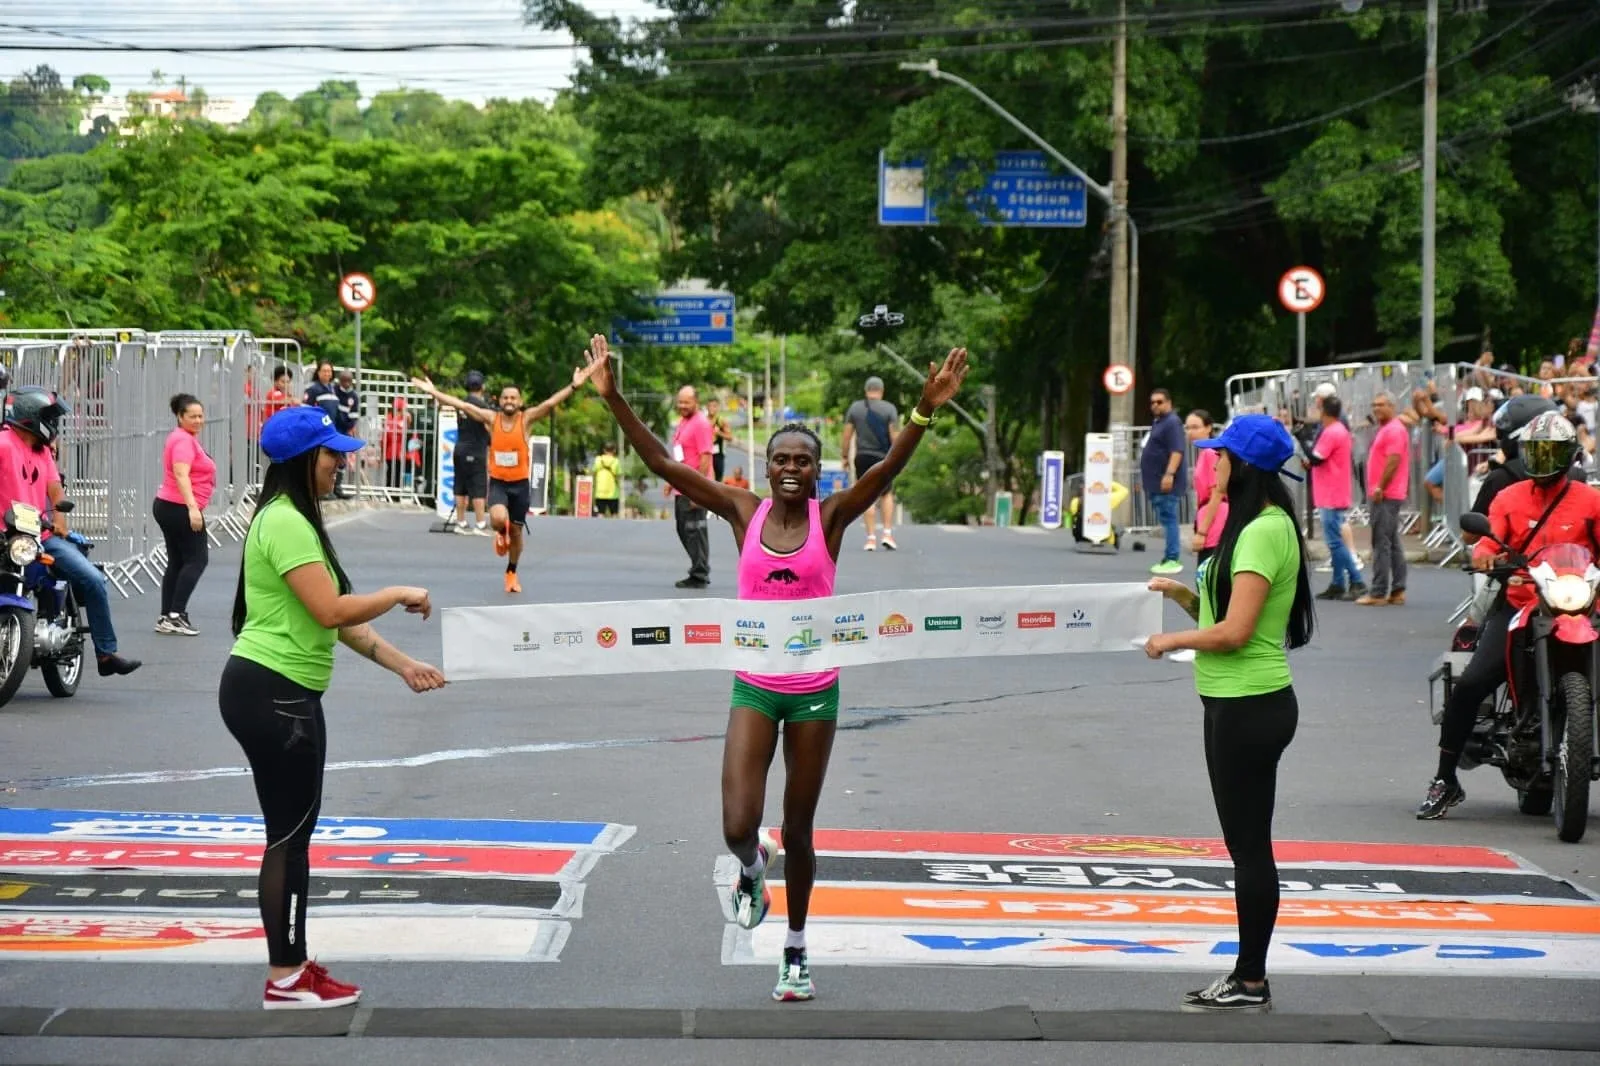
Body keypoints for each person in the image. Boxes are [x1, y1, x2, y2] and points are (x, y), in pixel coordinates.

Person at [584, 332, 968, 1002]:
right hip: (756, 686)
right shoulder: (742, 511)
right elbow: (666, 468)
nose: (791, 467)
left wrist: (925, 410)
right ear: (765, 470)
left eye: (802, 460)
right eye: (780, 459)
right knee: (739, 826)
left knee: (799, 828)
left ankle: (795, 952)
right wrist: (615, 398)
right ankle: (750, 869)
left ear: (817, 471)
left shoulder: (834, 515)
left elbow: (887, 472)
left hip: (816, 692)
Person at [221, 405, 445, 1009]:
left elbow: (337, 619)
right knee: (289, 838)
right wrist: (398, 591)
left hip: (276, 690)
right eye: (331, 454)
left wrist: (404, 665)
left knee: (292, 835)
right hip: (274, 693)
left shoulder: (291, 518)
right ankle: (286, 978)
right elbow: (332, 612)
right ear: (302, 461)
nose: (341, 463)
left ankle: (292, 967)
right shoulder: (288, 523)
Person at [1145, 413, 1314, 1014]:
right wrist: (1182, 597)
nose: (1210, 465)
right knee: (1247, 844)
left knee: (1249, 848)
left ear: (1241, 467)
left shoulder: (1264, 531)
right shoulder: (1246, 526)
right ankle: (1248, 976)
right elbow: (1224, 612)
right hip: (1235, 701)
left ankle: (1250, 980)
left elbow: (1239, 632)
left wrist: (1170, 642)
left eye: (1219, 456)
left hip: (1250, 704)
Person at [1417, 411, 1600, 820]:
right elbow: (1484, 542)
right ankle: (1445, 779)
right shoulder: (1509, 497)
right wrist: (1486, 559)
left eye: (1552, 451)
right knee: (1472, 682)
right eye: (1536, 451)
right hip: (1522, 603)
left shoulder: (1591, 500)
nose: (1543, 459)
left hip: (1582, 606)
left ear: (1569, 456)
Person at [411, 369, 597, 594]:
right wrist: (434, 392)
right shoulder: (491, 419)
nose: (509, 401)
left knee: (517, 534)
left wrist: (574, 386)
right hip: (499, 482)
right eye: (505, 398)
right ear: (499, 401)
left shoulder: (526, 419)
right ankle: (501, 531)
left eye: (513, 398)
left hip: (520, 485)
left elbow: (549, 403)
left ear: (520, 402)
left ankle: (511, 571)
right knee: (498, 519)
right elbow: (463, 406)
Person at [0, 387, 140, 676]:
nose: (54, 424)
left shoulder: (42, 451)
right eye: (50, 417)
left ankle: (106, 653)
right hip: (5, 534)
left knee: (93, 579)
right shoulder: (3, 443)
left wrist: (60, 518)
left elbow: (54, 488)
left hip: (42, 536)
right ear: (31, 416)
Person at [152, 393, 215, 636]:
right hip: (179, 507)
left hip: (170, 505)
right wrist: (192, 509)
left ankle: (167, 615)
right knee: (197, 559)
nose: (199, 420)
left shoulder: (184, 438)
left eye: (201, 416)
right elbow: (181, 474)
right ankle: (176, 614)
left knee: (178, 561)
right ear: (180, 417)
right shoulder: (183, 442)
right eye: (193, 416)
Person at [1305, 396, 1366, 601]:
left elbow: (1316, 457)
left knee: (1334, 542)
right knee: (1335, 540)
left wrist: (1300, 439)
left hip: (1330, 493)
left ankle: (1356, 580)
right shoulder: (1338, 429)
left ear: (1323, 411)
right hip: (1334, 490)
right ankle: (1338, 582)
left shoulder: (1332, 432)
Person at [1356, 391, 1409, 607]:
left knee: (1380, 542)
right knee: (1391, 541)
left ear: (1392, 406)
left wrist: (1380, 486)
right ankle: (1397, 589)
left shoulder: (1394, 430)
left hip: (1385, 494)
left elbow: (1394, 460)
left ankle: (1378, 592)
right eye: (1374, 405)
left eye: (1381, 405)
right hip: (1387, 492)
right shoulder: (1388, 429)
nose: (1376, 408)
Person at [841, 376, 900, 551]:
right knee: (886, 494)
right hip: (884, 457)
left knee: (867, 496)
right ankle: (888, 533)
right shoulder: (889, 409)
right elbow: (895, 437)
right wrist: (898, 459)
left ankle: (871, 538)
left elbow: (846, 436)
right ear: (881, 391)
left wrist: (844, 456)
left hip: (863, 457)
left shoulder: (855, 408)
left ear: (866, 391)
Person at [669, 385, 715, 587]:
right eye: (680, 401)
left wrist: (699, 491)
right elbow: (681, 455)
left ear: (696, 402)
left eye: (686, 402)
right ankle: (698, 566)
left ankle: (699, 572)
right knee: (682, 528)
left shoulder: (701, 424)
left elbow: (705, 457)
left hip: (694, 487)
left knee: (695, 529)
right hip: (682, 486)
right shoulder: (683, 422)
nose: (682, 405)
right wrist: (671, 482)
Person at [1144, 388, 1188, 575]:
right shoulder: (1159, 422)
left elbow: (1177, 451)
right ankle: (1169, 556)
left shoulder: (1172, 423)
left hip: (1166, 482)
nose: (1155, 405)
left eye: (1159, 402)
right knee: (1166, 518)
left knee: (1169, 519)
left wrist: (1169, 474)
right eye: (1152, 402)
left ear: (1169, 403)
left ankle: (1172, 558)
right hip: (1156, 481)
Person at [451, 371, 494, 535]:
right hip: (476, 449)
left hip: (460, 448)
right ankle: (480, 523)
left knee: (460, 485)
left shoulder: (463, 404)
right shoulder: (482, 406)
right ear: (482, 386)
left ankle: (460, 522)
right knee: (478, 487)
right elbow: (488, 427)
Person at [1186, 409, 1226, 566]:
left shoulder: (1210, 453)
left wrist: (1202, 532)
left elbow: (1217, 493)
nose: (1191, 432)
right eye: (1188, 428)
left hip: (1214, 520)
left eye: (1196, 427)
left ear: (1209, 428)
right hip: (1209, 516)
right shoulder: (1205, 453)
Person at [707, 398, 734, 484]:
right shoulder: (703, 421)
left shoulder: (721, 421)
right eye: (710, 406)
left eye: (714, 406)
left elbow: (730, 437)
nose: (712, 408)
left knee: (718, 481)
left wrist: (719, 433)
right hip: (706, 454)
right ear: (707, 407)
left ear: (717, 408)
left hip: (718, 454)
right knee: (707, 479)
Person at [593, 442, 622, 517]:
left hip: (600, 492)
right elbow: (619, 476)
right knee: (614, 514)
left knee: (600, 513)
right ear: (614, 450)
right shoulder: (616, 461)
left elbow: (593, 472)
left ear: (604, 450)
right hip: (613, 493)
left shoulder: (598, 460)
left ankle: (599, 528)